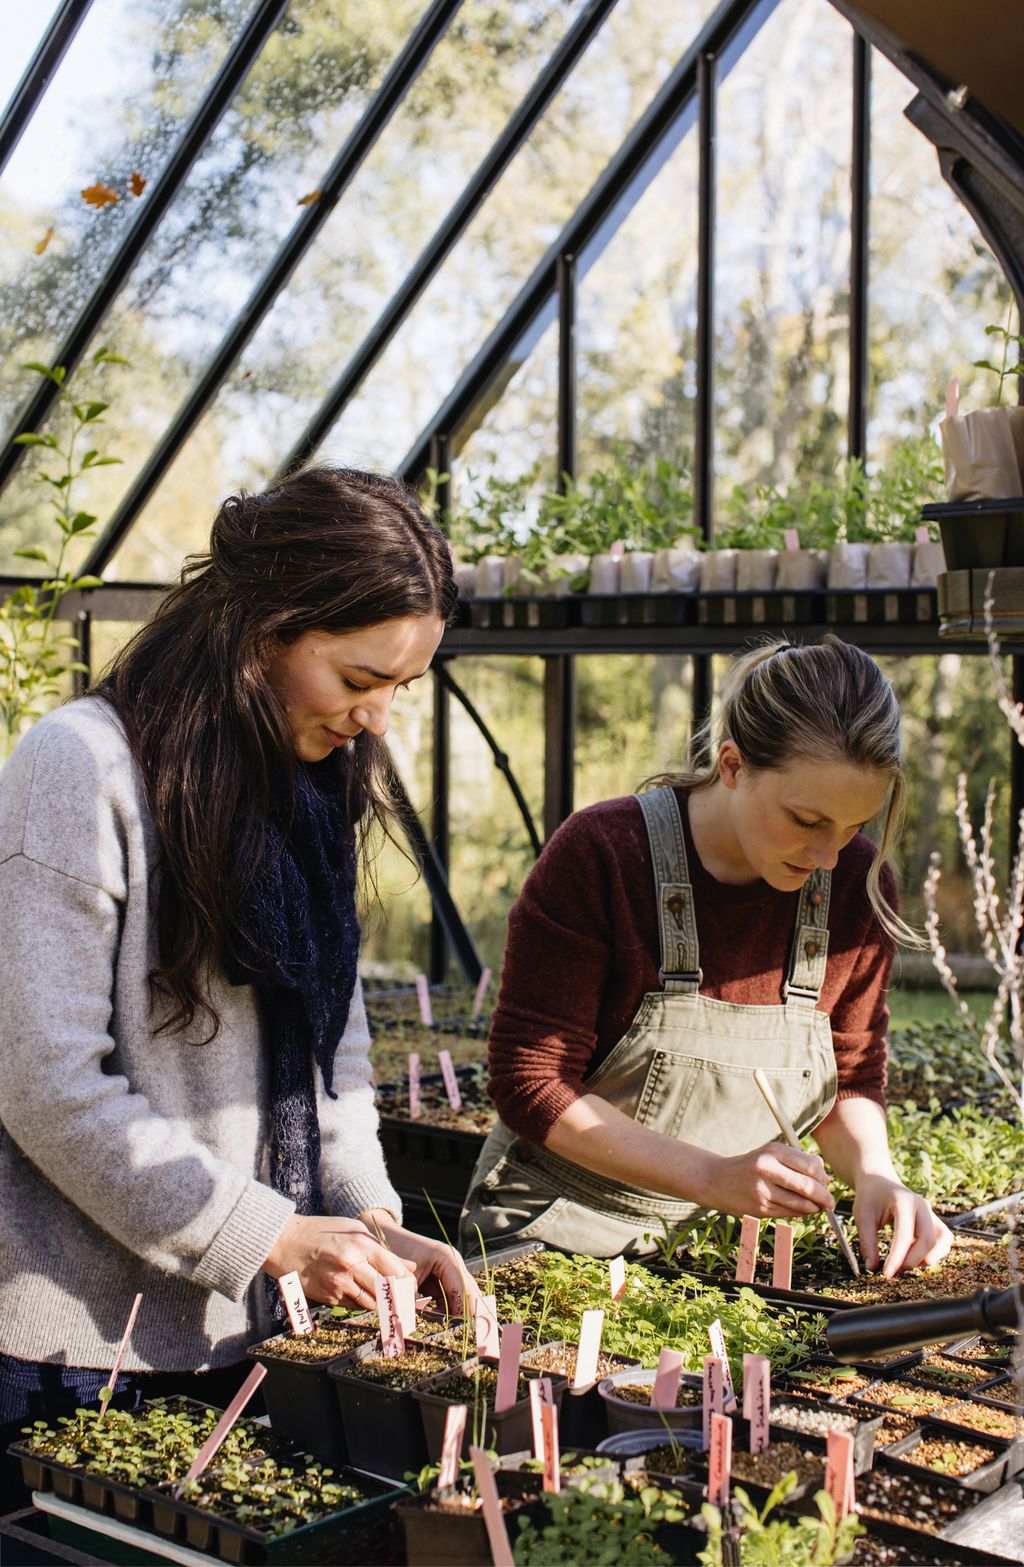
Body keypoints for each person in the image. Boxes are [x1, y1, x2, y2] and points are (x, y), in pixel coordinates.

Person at [0, 464, 475, 1452]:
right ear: (260, 627)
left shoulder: (309, 786)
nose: (378, 717)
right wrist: (265, 1235)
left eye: (400, 686)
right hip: (72, 1348)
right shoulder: (80, 768)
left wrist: (368, 1222)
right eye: (358, 679)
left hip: (251, 1329)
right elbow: (44, 1080)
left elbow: (329, 1046)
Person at [459, 636, 953, 1278]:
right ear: (731, 765)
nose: (829, 855)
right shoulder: (605, 853)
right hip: (557, 1224)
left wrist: (875, 1176)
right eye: (806, 821)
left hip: (721, 1254)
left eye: (854, 825)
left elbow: (850, 1077)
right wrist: (711, 1176)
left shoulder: (857, 886)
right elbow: (531, 1083)